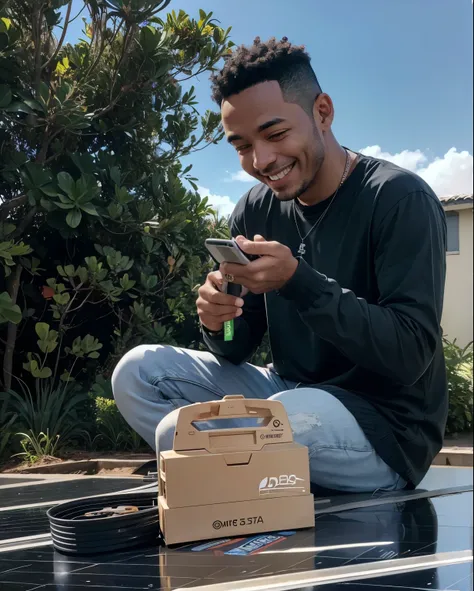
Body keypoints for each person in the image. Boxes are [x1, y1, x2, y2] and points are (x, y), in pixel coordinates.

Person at [112, 37, 448, 493]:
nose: (261, 161)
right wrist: (219, 321)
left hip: (380, 426)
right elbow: (235, 347)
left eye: (275, 134)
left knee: (181, 434)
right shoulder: (254, 210)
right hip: (287, 394)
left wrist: (299, 281)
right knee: (136, 372)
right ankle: (256, 478)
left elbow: (410, 355)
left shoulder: (397, 198)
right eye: (241, 146)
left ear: (323, 113)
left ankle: (235, 481)